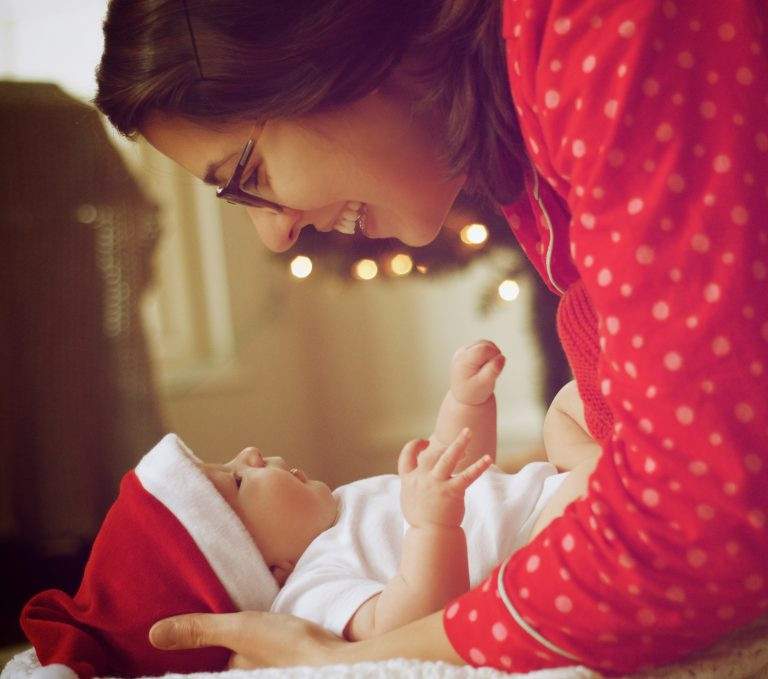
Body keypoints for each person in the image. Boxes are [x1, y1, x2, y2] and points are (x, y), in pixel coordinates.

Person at [94, 0, 768, 674]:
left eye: (250, 177)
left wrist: (352, 660)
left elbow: (697, 517)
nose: (274, 233)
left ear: (315, 44)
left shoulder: (598, 26)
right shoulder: (518, 134)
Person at [19, 341, 593, 678]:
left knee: (567, 407)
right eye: (239, 482)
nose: (248, 454)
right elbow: (408, 619)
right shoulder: (312, 592)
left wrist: (465, 402)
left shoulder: (344, 509)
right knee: (602, 471)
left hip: (551, 489)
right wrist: (433, 523)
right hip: (547, 540)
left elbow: (462, 465)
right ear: (263, 569)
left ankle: (632, 451)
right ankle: (640, 466)